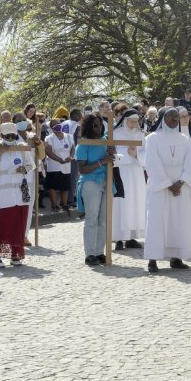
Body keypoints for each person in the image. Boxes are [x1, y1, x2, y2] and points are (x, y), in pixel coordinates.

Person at [142, 107, 191, 272]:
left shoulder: (184, 139)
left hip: (180, 187)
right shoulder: (153, 139)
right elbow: (152, 163)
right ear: (162, 118)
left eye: (176, 116)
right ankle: (153, 259)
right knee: (157, 221)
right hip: (160, 188)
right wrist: (168, 184)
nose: (175, 119)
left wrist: (181, 182)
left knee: (178, 221)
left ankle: (177, 257)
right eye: (171, 116)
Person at [0, 122, 36, 267]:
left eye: (12, 135)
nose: (10, 138)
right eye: (7, 136)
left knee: (17, 225)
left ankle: (16, 254)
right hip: (2, 195)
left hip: (20, 194)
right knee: (1, 226)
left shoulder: (21, 147)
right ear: (1, 135)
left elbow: (31, 164)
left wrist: (24, 169)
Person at [74, 114, 111, 266]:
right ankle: (89, 253)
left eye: (100, 124)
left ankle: (99, 251)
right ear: (89, 126)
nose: (99, 127)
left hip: (106, 182)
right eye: (95, 125)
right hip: (90, 183)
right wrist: (101, 162)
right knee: (92, 219)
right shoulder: (83, 144)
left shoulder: (106, 142)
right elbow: (82, 169)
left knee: (103, 220)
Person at [111, 111, 146, 250]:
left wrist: (136, 154)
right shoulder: (116, 133)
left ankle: (131, 237)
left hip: (136, 172)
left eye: (135, 121)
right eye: (131, 121)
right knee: (121, 203)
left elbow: (146, 152)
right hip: (122, 172)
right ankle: (118, 238)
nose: (133, 124)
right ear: (125, 120)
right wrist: (127, 154)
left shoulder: (140, 134)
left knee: (135, 203)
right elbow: (112, 151)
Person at [44, 120, 74, 215]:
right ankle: (54, 205)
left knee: (65, 186)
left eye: (58, 123)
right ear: (51, 128)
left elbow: (73, 148)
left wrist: (71, 157)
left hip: (66, 164)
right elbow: (48, 152)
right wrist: (58, 159)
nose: (57, 126)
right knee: (53, 186)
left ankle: (64, 204)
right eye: (54, 125)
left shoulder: (69, 136)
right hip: (54, 165)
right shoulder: (49, 138)